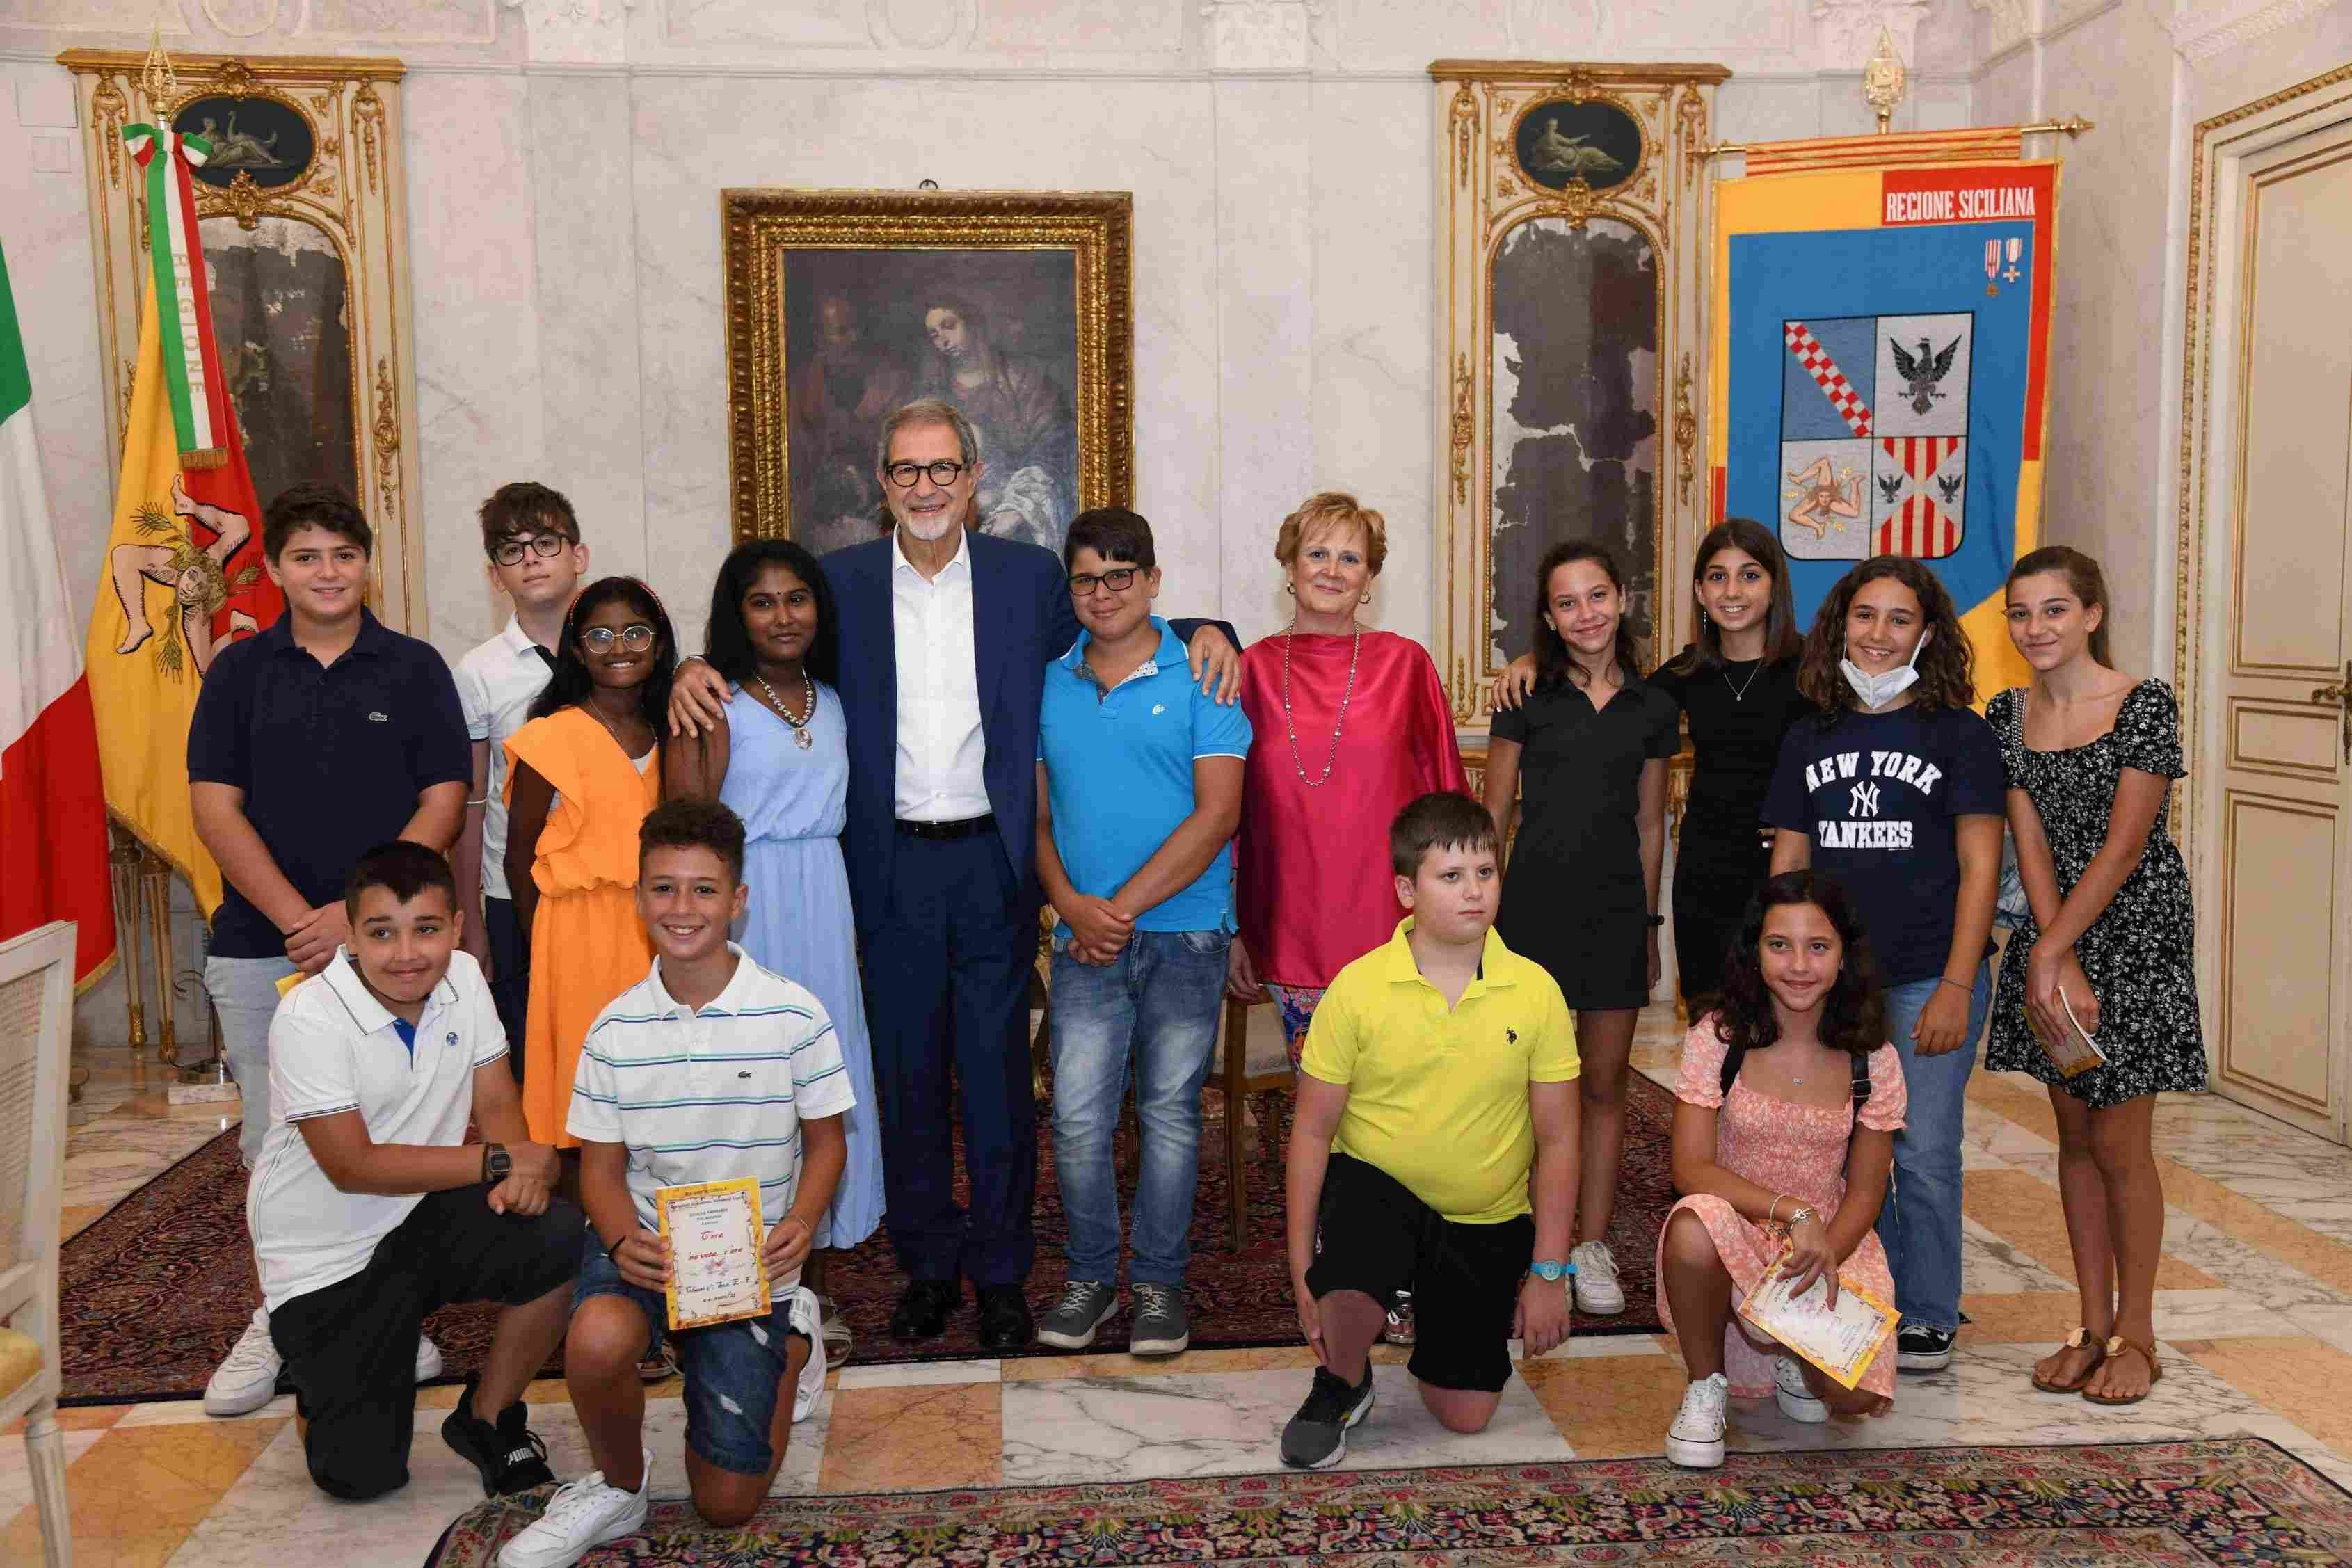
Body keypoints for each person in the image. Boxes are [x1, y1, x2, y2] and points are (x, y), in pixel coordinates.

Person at [668, 397, 1238, 1354]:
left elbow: (1115, 619)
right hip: (887, 864)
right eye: (906, 470)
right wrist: (692, 664)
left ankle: (1004, 1275)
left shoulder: (1025, 578)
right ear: (882, 482)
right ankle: (929, 1267)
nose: (925, 487)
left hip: (993, 862)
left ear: (974, 478)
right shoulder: (843, 583)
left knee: (997, 1077)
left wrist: (1212, 628)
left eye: (942, 469)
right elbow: (762, 640)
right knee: (907, 1076)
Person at [500, 801, 851, 1568]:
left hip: (751, 1263)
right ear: (638, 897)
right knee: (597, 1339)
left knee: (725, 1506)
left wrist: (801, 1220)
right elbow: (598, 1168)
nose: (682, 908)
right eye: (663, 888)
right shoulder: (613, 1029)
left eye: (703, 889)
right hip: (650, 1245)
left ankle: (791, 1341)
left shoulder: (795, 1013)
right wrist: (621, 1238)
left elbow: (828, 1143)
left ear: (738, 900)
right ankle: (619, 1484)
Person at [189, 481, 470, 1418]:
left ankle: (390, 1313)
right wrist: (298, 923)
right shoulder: (239, 670)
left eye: (343, 555)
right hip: (259, 946)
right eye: (306, 556)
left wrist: (359, 924)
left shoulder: (414, 667)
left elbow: (442, 799)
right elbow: (214, 807)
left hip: (390, 949)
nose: (327, 572)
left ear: (367, 565)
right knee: (279, 1143)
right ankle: (280, 1318)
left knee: (394, 1134)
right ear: (275, 568)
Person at [248, 842, 578, 1502]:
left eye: (426, 929)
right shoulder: (309, 1015)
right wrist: (501, 1160)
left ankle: (489, 1416)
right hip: (324, 1255)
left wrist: (519, 1178)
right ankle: (320, 1374)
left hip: (420, 1211)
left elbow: (495, 1099)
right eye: (381, 933)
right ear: (350, 935)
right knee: (360, 1478)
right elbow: (352, 1165)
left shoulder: (463, 977)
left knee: (556, 1231)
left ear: (456, 927)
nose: (406, 954)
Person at [1279, 792, 1579, 1470]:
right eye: (1451, 876)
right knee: (1354, 1260)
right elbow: (1312, 1132)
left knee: (1465, 1416)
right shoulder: (1357, 988)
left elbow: (1560, 1139)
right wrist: (1301, 1272)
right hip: (1376, 1197)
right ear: (1406, 891)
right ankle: (1341, 1379)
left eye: (1485, 872)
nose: (1474, 891)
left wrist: (1548, 1271)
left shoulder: (1535, 990)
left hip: (1484, 1218)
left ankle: (1426, 1312)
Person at [1230, 490, 1467, 1345]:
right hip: (1292, 929)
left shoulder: (1406, 665)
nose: (1332, 570)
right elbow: (1225, 807)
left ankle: (1407, 1272)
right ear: (1289, 565)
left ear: (1371, 577)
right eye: (1317, 553)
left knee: (1406, 1115)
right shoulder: (1248, 671)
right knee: (1328, 1123)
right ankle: (1346, 1276)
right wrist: (1235, 923)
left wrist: (1460, 921)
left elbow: (1447, 797)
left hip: (1397, 936)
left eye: (1351, 557)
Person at [1765, 554, 2003, 1374]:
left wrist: (1958, 984)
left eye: (1900, 618)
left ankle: (1931, 1310)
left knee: (1923, 1149)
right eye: (1864, 615)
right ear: (1840, 626)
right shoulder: (1810, 734)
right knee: (1846, 1146)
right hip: (1832, 981)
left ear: (1927, 634)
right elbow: (1789, 864)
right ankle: (1883, 1289)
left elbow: (1979, 868)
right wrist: (1780, 969)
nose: (1879, 634)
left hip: (1928, 973)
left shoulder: (1961, 735)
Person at [1032, 507, 1252, 1357]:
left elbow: (1218, 814)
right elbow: (1037, 819)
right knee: (1078, 1121)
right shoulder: (1047, 684)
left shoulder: (1203, 672)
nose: (1103, 593)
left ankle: (1160, 1285)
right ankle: (1090, 1279)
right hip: (1082, 939)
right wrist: (1069, 905)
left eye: (1120, 576)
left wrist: (1114, 910)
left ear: (1153, 581)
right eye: (1086, 579)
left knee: (1169, 1115)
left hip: (1185, 936)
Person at [1987, 547, 2203, 1407]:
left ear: (2091, 615)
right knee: (2073, 1135)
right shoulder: (2006, 714)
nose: (2035, 628)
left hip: (2136, 931)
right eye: (2021, 612)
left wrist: (2053, 951)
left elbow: (2124, 845)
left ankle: (2137, 1336)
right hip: (2059, 933)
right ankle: (2090, 1324)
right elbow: (2030, 840)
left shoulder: (2144, 703)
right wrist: (2053, 950)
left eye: (2054, 609)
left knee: (2120, 1143)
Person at [667, 538, 882, 1366]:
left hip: (823, 898)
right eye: (762, 602)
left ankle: (809, 1289)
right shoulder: (714, 703)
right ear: (738, 615)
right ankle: (727, 1287)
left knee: (818, 1091)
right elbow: (688, 830)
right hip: (748, 909)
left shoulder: (837, 698)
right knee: (744, 1096)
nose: (783, 616)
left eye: (798, 598)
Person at [1481, 540, 1677, 1320]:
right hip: (1528, 915)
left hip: (1616, 915)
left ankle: (1590, 1244)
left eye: (1597, 596)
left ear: (1621, 600)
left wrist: (1652, 924)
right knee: (1517, 1086)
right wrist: (1479, 922)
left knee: (1602, 1086)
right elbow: (1493, 814)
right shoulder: (1524, 694)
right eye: (1567, 603)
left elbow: (1651, 824)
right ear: (1549, 616)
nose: (1585, 613)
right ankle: (1524, 1240)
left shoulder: (1653, 707)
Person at [1658, 872, 1906, 1469]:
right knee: (1693, 1224)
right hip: (1736, 1221)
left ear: (1844, 956)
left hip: (1829, 1241)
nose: (1798, 965)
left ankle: (1793, 1358)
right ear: (1754, 951)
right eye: (1779, 945)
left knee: (1854, 1399)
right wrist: (1791, 1214)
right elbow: (1689, 1168)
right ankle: (1705, 1385)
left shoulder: (1872, 1058)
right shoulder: (1719, 1037)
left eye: (1817, 947)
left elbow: (1866, 1192)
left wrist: (1816, 1260)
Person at [504, 577, 675, 1151]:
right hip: (576, 937)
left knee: (660, 1090)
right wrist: (541, 947)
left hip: (659, 931)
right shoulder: (550, 736)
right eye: (600, 636)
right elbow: (518, 858)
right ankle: (593, 1208)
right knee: (588, 1101)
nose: (619, 648)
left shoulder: (672, 729)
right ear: (576, 650)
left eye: (635, 633)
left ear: (659, 644)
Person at [451, 482, 593, 1071]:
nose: (531, 559)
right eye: (512, 550)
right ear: (495, 575)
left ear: (578, 556)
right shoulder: (479, 671)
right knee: (533, 1056)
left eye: (545, 542)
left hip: (607, 885)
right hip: (516, 893)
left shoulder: (619, 648)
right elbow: (472, 803)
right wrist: (471, 919)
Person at [1646, 520, 1811, 1009]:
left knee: (1786, 1023)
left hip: (1792, 868)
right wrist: (1536, 661)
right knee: (1710, 1024)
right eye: (1717, 577)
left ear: (1775, 586)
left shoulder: (1814, 668)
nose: (1732, 591)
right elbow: (1605, 693)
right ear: (1700, 591)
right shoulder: (1686, 671)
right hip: (1706, 872)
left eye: (1749, 575)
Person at [913, 295, 1077, 550]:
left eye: (949, 326)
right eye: (934, 335)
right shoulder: (935, 393)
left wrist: (1016, 508)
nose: (943, 341)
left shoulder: (1024, 379)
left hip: (1022, 500)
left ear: (973, 324)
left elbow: (1054, 445)